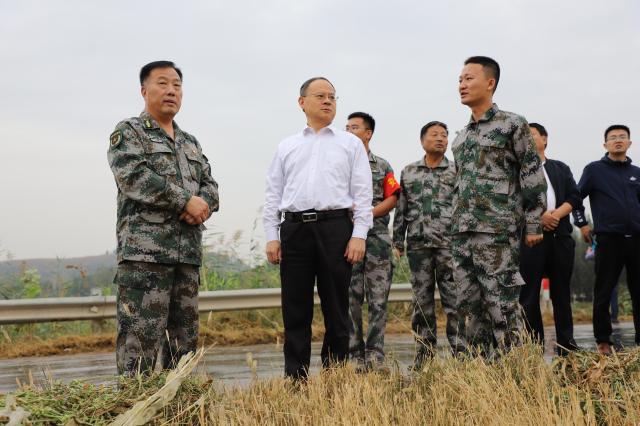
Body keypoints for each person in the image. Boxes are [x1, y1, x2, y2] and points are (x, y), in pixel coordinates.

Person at [107, 61, 219, 375]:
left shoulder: (190, 142)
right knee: (138, 346)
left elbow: (211, 187)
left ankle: (180, 402)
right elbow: (133, 177)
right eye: (162, 83)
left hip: (187, 257)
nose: (171, 90)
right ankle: (136, 403)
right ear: (144, 91)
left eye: (177, 85)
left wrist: (201, 205)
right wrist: (186, 200)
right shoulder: (130, 131)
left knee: (184, 347)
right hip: (146, 259)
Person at [263, 77, 373, 380]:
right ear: (302, 102)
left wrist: (359, 235)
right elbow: (273, 194)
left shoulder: (350, 143)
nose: (328, 101)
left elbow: (363, 194)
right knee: (295, 310)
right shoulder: (287, 146)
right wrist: (272, 236)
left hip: (335, 229)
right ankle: (296, 379)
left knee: (337, 310)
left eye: (332, 97)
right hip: (294, 230)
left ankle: (333, 377)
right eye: (321, 95)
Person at [451, 56, 547, 355]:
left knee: (502, 305)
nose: (462, 85)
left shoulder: (512, 124)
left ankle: (514, 368)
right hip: (463, 233)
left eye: (468, 78)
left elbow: (532, 173)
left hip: (497, 232)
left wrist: (534, 222)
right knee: (468, 307)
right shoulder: (461, 137)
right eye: (460, 80)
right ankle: (479, 371)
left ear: (490, 83)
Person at [393, 121, 465, 367]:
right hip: (418, 247)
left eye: (444, 135)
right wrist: (398, 240)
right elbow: (402, 208)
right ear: (423, 141)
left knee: (454, 303)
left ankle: (460, 356)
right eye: (434, 135)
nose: (440, 139)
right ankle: (424, 358)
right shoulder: (409, 171)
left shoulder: (456, 170)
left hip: (449, 246)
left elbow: (464, 206)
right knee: (421, 305)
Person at [572, 125, 640, 354]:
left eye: (622, 136)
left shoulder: (637, 172)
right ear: (605, 144)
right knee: (604, 290)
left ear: (629, 143)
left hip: (637, 238)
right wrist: (582, 224)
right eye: (612, 137)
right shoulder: (594, 170)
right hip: (609, 239)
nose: (618, 140)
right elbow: (576, 198)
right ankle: (603, 340)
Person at [518, 123, 582, 356]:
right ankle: (533, 349)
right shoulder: (516, 171)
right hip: (530, 239)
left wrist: (555, 215)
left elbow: (575, 196)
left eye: (532, 134)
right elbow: (511, 202)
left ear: (544, 139)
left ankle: (567, 347)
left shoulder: (560, 168)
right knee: (528, 295)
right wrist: (538, 217)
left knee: (562, 294)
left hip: (560, 236)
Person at [345, 112, 400, 371]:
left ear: (368, 133)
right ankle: (353, 355)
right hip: (346, 239)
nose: (348, 131)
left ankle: (375, 356)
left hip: (377, 238)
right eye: (346, 127)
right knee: (350, 300)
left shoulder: (382, 165)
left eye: (354, 127)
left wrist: (366, 215)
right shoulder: (338, 163)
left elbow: (393, 198)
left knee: (378, 300)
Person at [585, 247, 620, 324]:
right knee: (614, 295)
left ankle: (602, 317)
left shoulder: (599, 245)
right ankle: (614, 317)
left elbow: (588, 257)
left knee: (602, 294)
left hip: (603, 273)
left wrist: (589, 251)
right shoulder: (616, 246)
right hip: (615, 272)